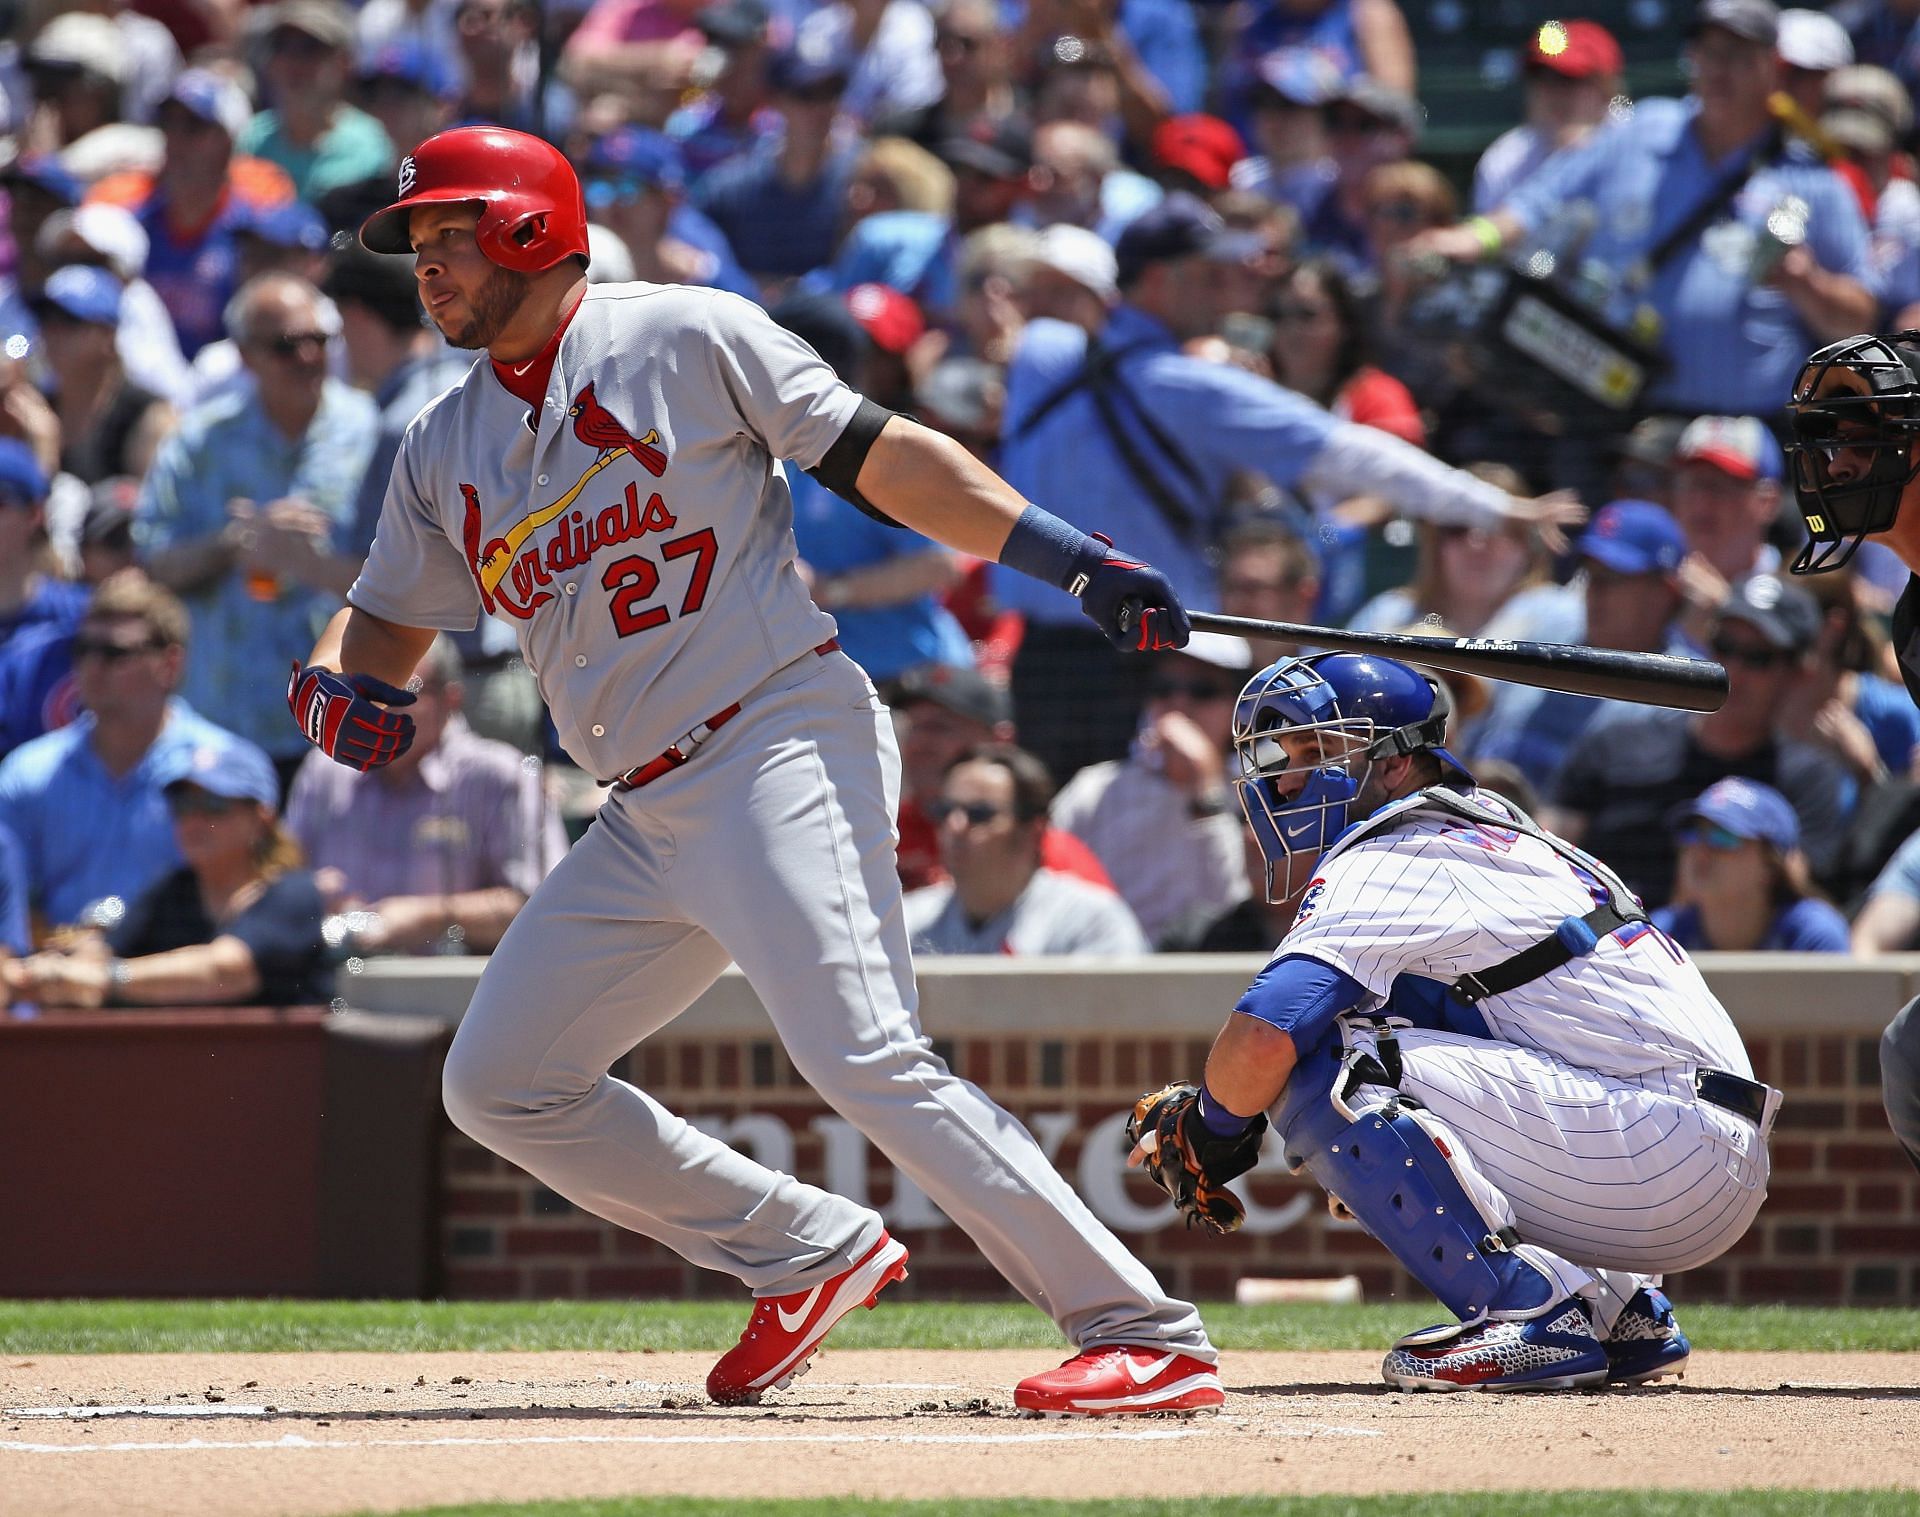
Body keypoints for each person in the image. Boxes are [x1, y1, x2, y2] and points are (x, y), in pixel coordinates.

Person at [294, 125, 1220, 1416]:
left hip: (776, 734)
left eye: (447, 236)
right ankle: (804, 1247)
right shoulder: (444, 442)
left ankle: (1142, 1325)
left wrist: (1068, 559)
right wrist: (344, 681)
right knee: (500, 1081)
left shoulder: (680, 335)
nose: (427, 270)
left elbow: (880, 454)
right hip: (640, 808)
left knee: (864, 1053)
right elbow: (387, 615)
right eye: (419, 246)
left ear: (526, 226)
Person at [1124, 649, 1775, 1391]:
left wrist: (1212, 1124)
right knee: (1379, 1037)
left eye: (1321, 751)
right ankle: (1617, 1308)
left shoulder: (1397, 847)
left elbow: (1268, 1031)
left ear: (1397, 766)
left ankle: (1527, 1309)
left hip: (1661, 1140)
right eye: (1285, 754)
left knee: (1326, 1060)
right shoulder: (1493, 829)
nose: (1289, 777)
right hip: (1685, 1140)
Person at [997, 192, 1575, 782]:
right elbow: (1351, 453)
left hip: (1045, 658)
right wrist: (1493, 508)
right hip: (1140, 665)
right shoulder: (1192, 387)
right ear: (1160, 280)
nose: (1230, 291)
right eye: (1210, 275)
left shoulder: (1040, 351)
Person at [1415, 0, 1875, 421]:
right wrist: (1474, 238)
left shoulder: (1811, 177)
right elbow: (1541, 199)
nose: (1719, 71)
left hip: (1754, 428)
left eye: (1737, 57)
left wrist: (1806, 284)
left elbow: (1861, 319)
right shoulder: (1641, 130)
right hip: (1631, 419)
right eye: (1707, 52)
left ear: (1771, 68)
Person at [137, 272, 379, 782]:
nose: (308, 358)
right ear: (246, 356)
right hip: (225, 721)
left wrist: (309, 564)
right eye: (287, 345)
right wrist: (231, 545)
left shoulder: (370, 430)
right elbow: (152, 561)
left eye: (318, 341)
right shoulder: (200, 441)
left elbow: (412, 567)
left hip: (339, 715)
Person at [1549, 573, 1850, 906]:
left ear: (1798, 675)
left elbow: (1800, 901)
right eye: (1725, 647)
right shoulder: (1615, 744)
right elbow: (1546, 852)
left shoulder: (1807, 781)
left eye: (1757, 658)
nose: (1732, 670)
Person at [5, 731, 332, 1009]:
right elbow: (101, 953)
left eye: (213, 805)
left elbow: (225, 971)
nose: (193, 821)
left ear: (261, 820)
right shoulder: (174, 891)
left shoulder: (296, 893)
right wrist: (36, 974)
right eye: (183, 805)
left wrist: (106, 978)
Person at [0, 570, 246, 935]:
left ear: (170, 664)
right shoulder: (27, 773)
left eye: (115, 653)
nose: (92, 667)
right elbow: (10, 905)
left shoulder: (226, 770)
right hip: (55, 977)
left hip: (188, 981)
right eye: (83, 650)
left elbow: (247, 899)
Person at [286, 637, 566, 955]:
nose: (381, 708)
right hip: (335, 984)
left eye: (404, 692)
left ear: (451, 700)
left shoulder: (502, 776)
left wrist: (431, 917)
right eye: (370, 693)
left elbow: (543, 905)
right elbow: (278, 879)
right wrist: (307, 894)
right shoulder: (325, 770)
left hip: (457, 991)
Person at [1468, 500, 1697, 788]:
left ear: (1665, 592)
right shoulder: (1546, 629)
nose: (1595, 592)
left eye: (1612, 577)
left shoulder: (1681, 692)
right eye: (1591, 574)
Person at [1051, 631, 1255, 944]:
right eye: (1163, 689)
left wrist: (1206, 784)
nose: (1178, 704)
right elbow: (1048, 888)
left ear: (1238, 706)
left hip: (1211, 972)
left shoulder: (1265, 792)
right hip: (1108, 970)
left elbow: (1230, 902)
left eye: (1203, 691)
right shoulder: (1095, 789)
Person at [887, 661, 1112, 893]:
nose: (918, 744)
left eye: (939, 728)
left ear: (999, 740)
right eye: (914, 727)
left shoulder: (1045, 853)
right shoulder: (884, 829)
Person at [905, 743, 1147, 955]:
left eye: (980, 814)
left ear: (1033, 832)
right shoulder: (906, 922)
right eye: (945, 811)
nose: (954, 827)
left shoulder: (1091, 922)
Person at [1652, 777, 1850, 951]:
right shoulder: (1662, 935)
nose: (1701, 851)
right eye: (1692, 835)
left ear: (1771, 865)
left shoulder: (1812, 936)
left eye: (1723, 837)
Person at [237, 0, 395, 203]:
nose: (293, 62)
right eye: (281, 47)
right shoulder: (252, 140)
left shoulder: (369, 146)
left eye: (309, 49)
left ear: (343, 63)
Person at [1472, 20, 1624, 216]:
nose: (1552, 92)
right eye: (1540, 76)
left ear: (1606, 88)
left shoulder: (1635, 143)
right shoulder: (1505, 161)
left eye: (1568, 79)